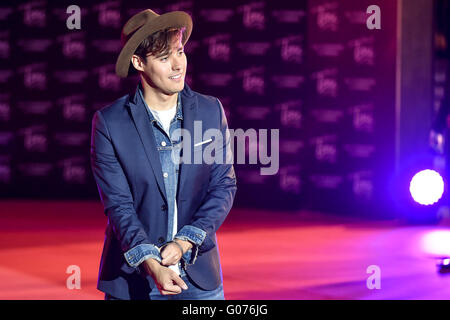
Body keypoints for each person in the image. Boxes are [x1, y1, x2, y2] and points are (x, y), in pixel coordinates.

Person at [90, 9, 237, 300]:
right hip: (132, 280)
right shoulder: (110, 122)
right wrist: (151, 263)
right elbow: (119, 206)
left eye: (180, 52)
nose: (177, 65)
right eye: (163, 58)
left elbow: (223, 186)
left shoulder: (209, 111)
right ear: (138, 63)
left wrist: (185, 241)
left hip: (198, 277)